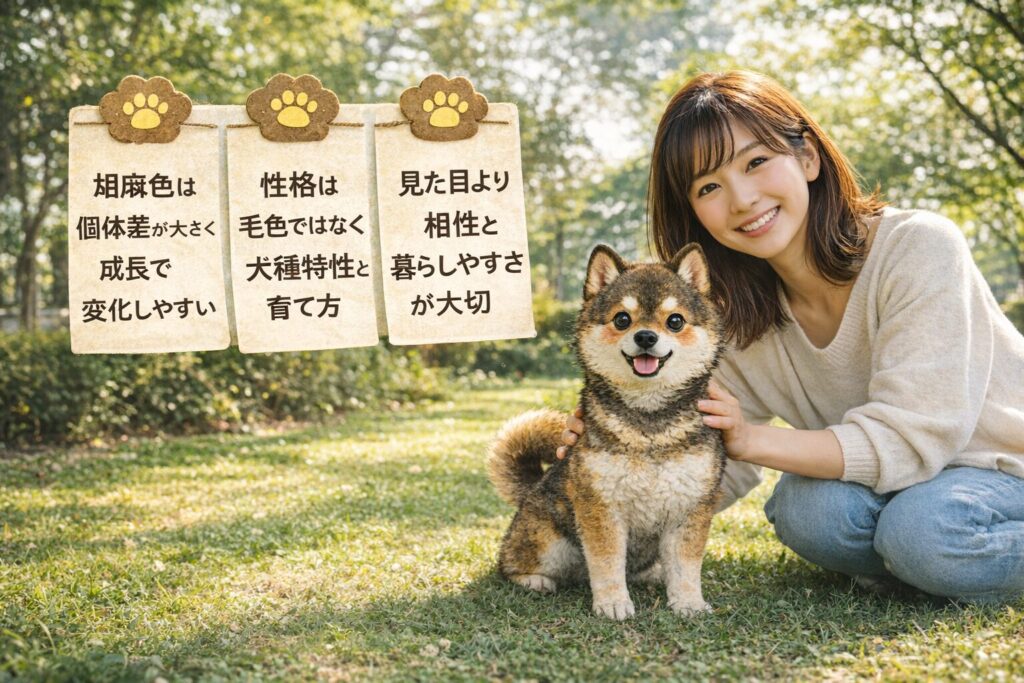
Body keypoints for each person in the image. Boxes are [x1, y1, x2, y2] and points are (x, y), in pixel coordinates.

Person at [556, 70, 1024, 604]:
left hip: (1000, 466)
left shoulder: (919, 247)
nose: (741, 199)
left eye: (755, 162)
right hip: (896, 487)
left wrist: (752, 439)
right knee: (807, 512)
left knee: (924, 532)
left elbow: (911, 439)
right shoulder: (731, 318)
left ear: (808, 158)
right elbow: (713, 460)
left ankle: (922, 555)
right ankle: (925, 562)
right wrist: (602, 460)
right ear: (694, 214)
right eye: (709, 187)